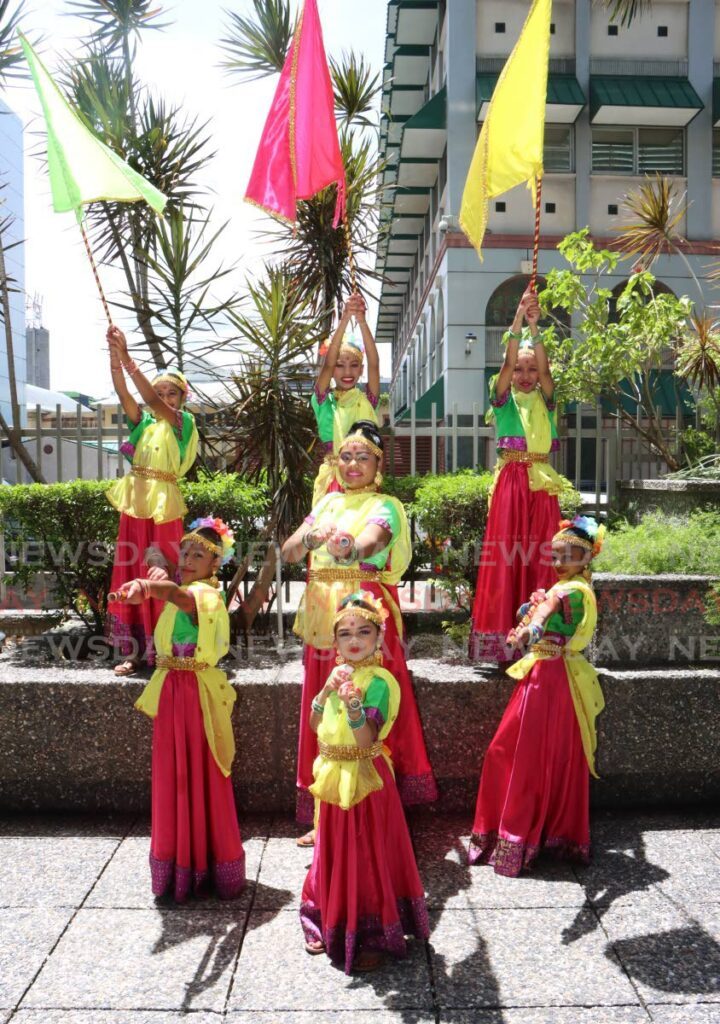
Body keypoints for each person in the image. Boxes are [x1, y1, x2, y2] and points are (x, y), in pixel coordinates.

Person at [282, 419, 437, 840]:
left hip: (364, 615)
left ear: (378, 464)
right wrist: (313, 539)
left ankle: (377, 801)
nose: (353, 464)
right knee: (327, 704)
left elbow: (369, 543)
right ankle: (326, 809)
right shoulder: (326, 505)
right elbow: (290, 550)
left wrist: (346, 545)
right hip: (322, 618)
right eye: (346, 456)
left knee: (370, 702)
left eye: (362, 457)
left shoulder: (386, 504)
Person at [115, 516, 245, 902]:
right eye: (185, 551)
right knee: (175, 774)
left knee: (197, 772)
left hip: (193, 695)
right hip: (174, 690)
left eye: (199, 555)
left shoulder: (203, 596)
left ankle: (206, 863)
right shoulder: (185, 589)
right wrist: (149, 585)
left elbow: (176, 595)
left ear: (214, 565)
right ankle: (182, 865)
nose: (188, 558)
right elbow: (172, 591)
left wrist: (149, 587)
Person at [467, 515, 606, 876]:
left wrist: (532, 628)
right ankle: (543, 832)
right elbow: (541, 612)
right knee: (533, 753)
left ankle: (520, 836)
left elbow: (547, 613)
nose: (559, 563)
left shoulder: (571, 590)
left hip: (549, 680)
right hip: (547, 675)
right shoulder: (570, 588)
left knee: (521, 754)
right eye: (555, 555)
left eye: (568, 555)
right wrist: (528, 617)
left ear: (587, 557)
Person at [300, 591, 429, 973]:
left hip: (366, 779)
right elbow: (313, 726)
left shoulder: (381, 682)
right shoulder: (339, 675)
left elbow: (365, 740)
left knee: (366, 853)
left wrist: (354, 704)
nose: (354, 640)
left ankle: (371, 932)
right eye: (345, 633)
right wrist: (325, 693)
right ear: (335, 640)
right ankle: (331, 914)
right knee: (334, 849)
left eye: (363, 632)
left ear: (378, 637)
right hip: (334, 776)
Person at [469, 289, 567, 663]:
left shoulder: (546, 399)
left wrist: (534, 327)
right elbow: (506, 366)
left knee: (542, 553)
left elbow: (545, 370)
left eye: (531, 369)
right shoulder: (504, 400)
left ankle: (541, 635)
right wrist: (515, 321)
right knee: (508, 557)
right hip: (512, 481)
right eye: (518, 370)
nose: (525, 375)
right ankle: (503, 642)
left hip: (542, 484)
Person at [105, 325, 198, 676]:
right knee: (132, 568)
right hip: (137, 501)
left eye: (171, 393)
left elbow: (153, 404)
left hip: (165, 506)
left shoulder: (181, 422)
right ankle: (135, 651)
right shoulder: (142, 423)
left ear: (181, 398)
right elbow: (126, 395)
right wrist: (116, 358)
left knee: (162, 571)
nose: (164, 398)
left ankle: (165, 647)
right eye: (160, 393)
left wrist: (130, 359)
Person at [311, 292, 380, 506]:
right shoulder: (324, 401)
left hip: (364, 480)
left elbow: (375, 363)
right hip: (334, 483)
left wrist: (361, 320)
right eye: (340, 365)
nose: (347, 371)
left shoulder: (367, 399)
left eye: (354, 365)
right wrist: (344, 319)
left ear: (361, 369)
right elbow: (328, 365)